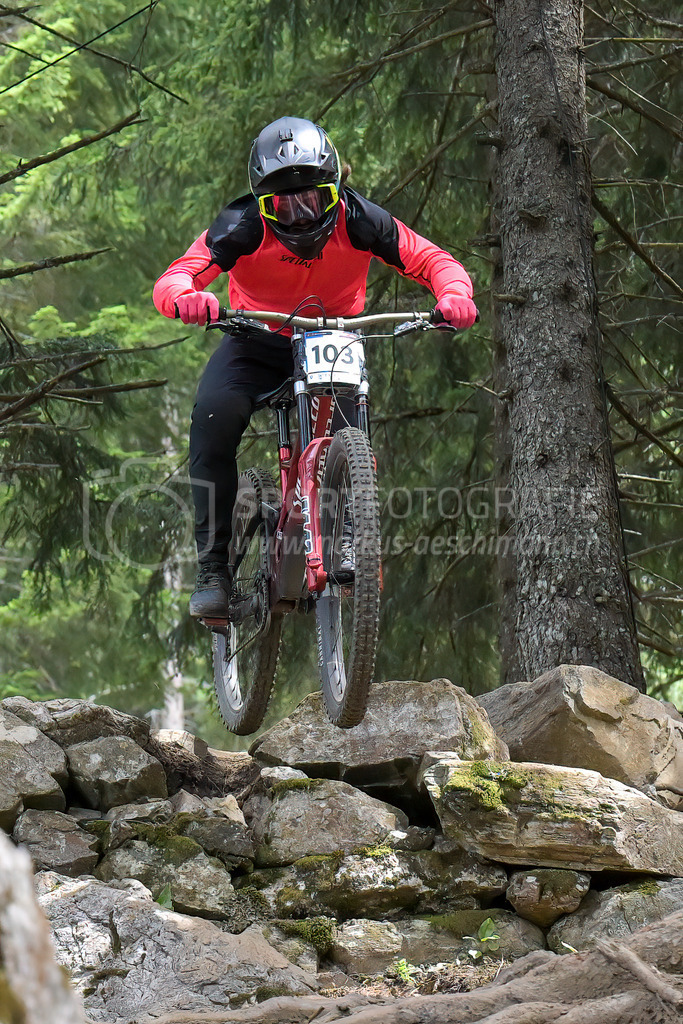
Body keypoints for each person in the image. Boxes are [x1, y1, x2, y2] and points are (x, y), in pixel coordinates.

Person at [153, 116, 477, 618]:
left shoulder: (361, 220)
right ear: (262, 205)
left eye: (314, 199)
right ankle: (214, 568)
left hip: (333, 337)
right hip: (257, 341)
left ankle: (349, 534)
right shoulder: (240, 227)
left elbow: (435, 261)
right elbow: (176, 276)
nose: (301, 216)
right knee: (212, 420)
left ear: (335, 191)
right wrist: (186, 297)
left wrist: (454, 294)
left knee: (350, 434)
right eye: (283, 204)